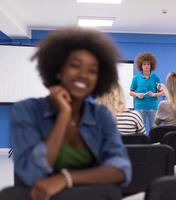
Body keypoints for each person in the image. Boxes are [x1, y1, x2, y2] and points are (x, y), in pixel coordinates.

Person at [11, 27, 132, 200]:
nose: (84, 75)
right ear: (58, 70)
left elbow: (121, 169)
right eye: (75, 66)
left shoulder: (101, 115)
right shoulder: (27, 111)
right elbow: (32, 174)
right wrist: (63, 116)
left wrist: (66, 178)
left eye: (93, 70)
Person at [129, 52, 163, 132]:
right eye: (144, 64)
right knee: (140, 128)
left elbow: (162, 93)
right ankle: (141, 143)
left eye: (148, 64)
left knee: (154, 129)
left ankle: (155, 143)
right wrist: (137, 94)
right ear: (141, 65)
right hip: (140, 106)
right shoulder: (136, 78)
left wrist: (154, 94)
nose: (146, 66)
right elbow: (131, 92)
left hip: (153, 106)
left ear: (151, 65)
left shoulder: (156, 77)